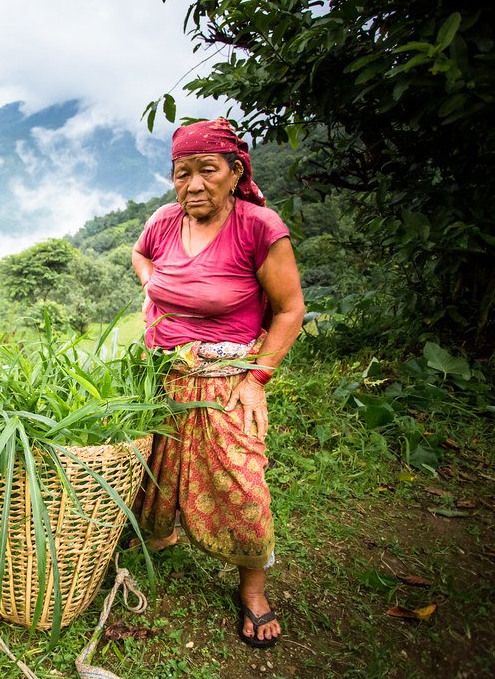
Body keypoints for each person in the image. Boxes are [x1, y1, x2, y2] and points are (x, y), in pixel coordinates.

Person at [131, 118, 305, 649]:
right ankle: (159, 535)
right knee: (155, 465)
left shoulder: (258, 227)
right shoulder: (164, 221)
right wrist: (151, 288)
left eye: (208, 170)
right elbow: (140, 255)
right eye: (182, 174)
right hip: (163, 375)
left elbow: (291, 310)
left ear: (236, 171)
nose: (194, 185)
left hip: (226, 380)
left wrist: (257, 379)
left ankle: (253, 589)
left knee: (240, 481)